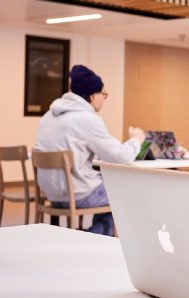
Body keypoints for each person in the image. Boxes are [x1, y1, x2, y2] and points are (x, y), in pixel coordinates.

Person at [34, 65, 145, 236]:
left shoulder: (48, 116)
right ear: (93, 96)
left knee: (108, 189)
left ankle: (83, 237)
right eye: (104, 94)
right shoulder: (87, 119)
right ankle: (95, 241)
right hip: (78, 193)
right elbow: (121, 157)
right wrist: (136, 140)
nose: (103, 98)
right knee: (123, 190)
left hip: (52, 194)